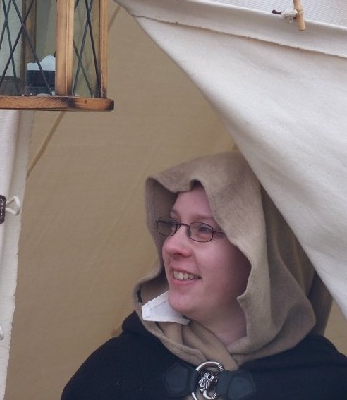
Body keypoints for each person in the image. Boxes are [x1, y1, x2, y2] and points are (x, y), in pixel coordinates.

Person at [62, 152, 347, 399]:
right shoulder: (114, 372)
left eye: (203, 229)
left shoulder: (329, 385)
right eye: (173, 224)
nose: (171, 246)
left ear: (265, 255)